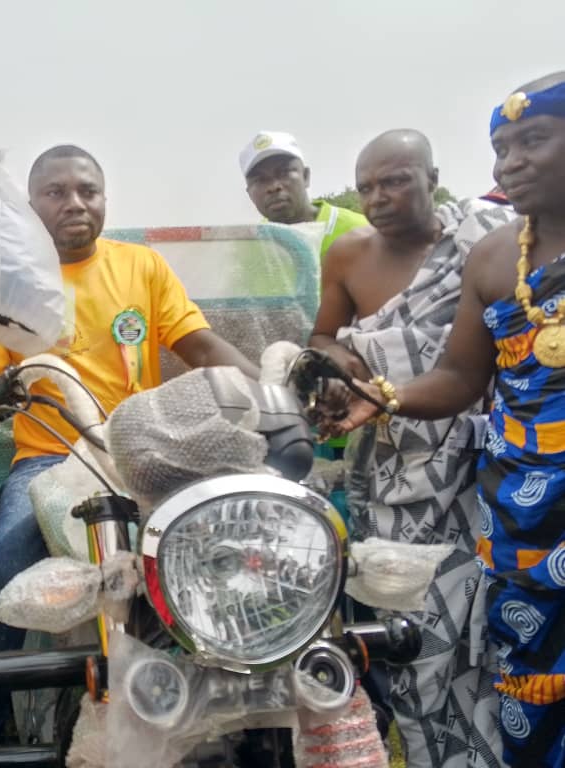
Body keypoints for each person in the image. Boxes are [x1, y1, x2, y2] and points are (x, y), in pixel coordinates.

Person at [0, 144, 258, 743]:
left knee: (236, 543)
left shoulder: (142, 267)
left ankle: (246, 696)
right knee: (1, 559)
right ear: (31, 207)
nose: (74, 202)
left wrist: (268, 390)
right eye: (56, 192)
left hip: (147, 452)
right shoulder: (9, 283)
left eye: (88, 190)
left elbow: (200, 346)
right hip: (50, 458)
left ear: (104, 199)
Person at [332, 72, 565, 768]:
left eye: (534, 140)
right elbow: (463, 376)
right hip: (525, 505)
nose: (511, 161)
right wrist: (389, 398)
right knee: (531, 675)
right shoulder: (496, 259)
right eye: (501, 147)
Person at [311, 129, 512, 768]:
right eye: (366, 185)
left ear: (433, 177)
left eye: (395, 180)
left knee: (487, 619)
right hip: (397, 474)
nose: (378, 198)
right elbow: (321, 338)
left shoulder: (486, 240)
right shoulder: (347, 256)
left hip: (484, 464)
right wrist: (347, 362)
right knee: (416, 626)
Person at [240, 130, 368, 263]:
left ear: (305, 176)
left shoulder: (362, 232)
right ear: (249, 193)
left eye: (284, 172)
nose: (273, 186)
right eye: (260, 180)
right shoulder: (251, 247)